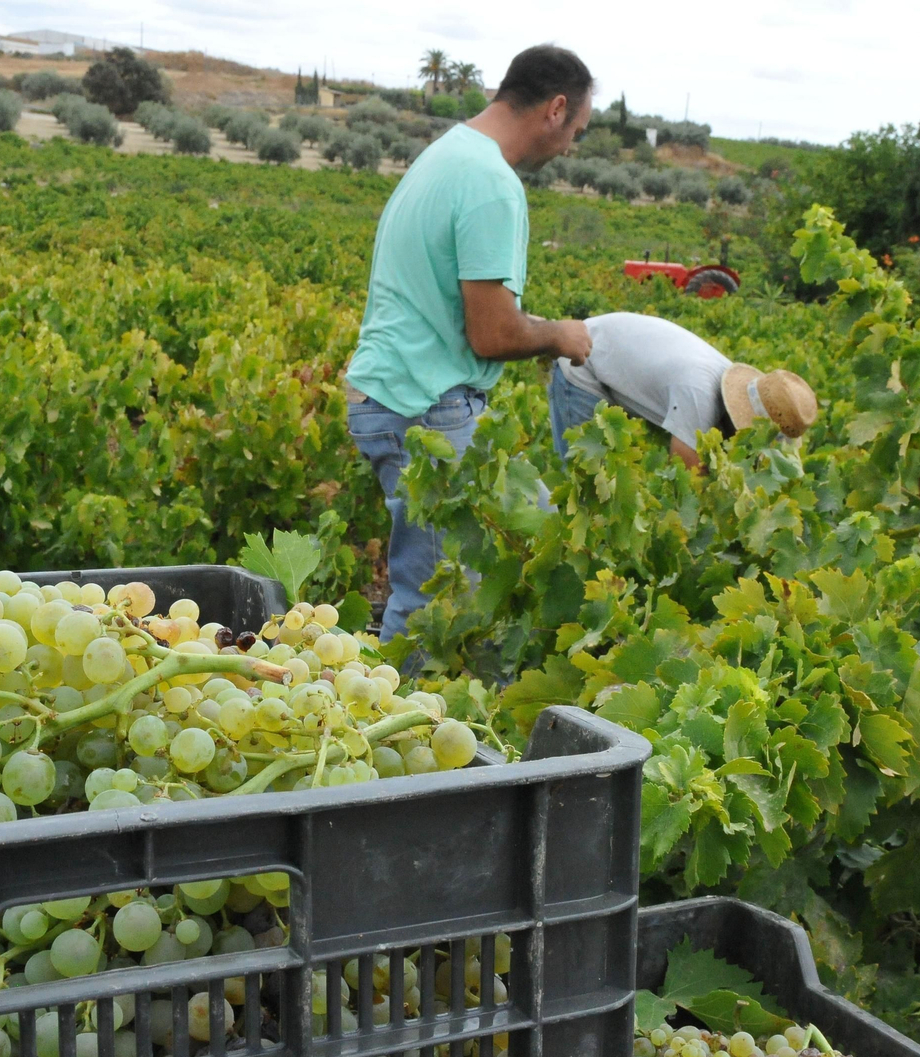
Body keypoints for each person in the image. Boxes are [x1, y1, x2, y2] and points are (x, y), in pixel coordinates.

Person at [346, 45, 596, 642]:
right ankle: (390, 728)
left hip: (403, 396)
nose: (569, 150)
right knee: (433, 601)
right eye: (577, 133)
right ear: (555, 109)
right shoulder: (491, 182)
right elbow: (492, 334)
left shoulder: (448, 154)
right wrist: (559, 334)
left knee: (530, 536)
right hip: (425, 408)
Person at [548, 312, 818, 465]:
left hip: (612, 354)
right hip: (584, 360)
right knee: (585, 484)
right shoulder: (700, 396)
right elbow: (686, 477)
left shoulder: (722, 383)